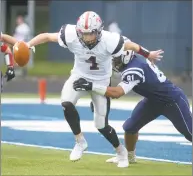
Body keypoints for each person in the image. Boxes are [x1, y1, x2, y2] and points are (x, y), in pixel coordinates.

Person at [24, 11, 163, 167]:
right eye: (83, 33)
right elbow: (47, 36)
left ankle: (121, 151)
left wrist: (148, 54)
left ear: (99, 31)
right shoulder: (71, 34)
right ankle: (80, 141)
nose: (86, 37)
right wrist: (28, 45)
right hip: (79, 76)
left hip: (101, 82)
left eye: (90, 34)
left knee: (101, 125)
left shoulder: (110, 40)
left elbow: (131, 45)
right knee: (66, 103)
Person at [73, 38, 192, 164]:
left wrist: (93, 87)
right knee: (130, 128)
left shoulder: (134, 68)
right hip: (153, 100)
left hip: (172, 101)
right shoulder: (132, 61)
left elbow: (118, 92)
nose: (113, 62)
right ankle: (130, 157)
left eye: (115, 58)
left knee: (190, 133)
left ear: (126, 55)